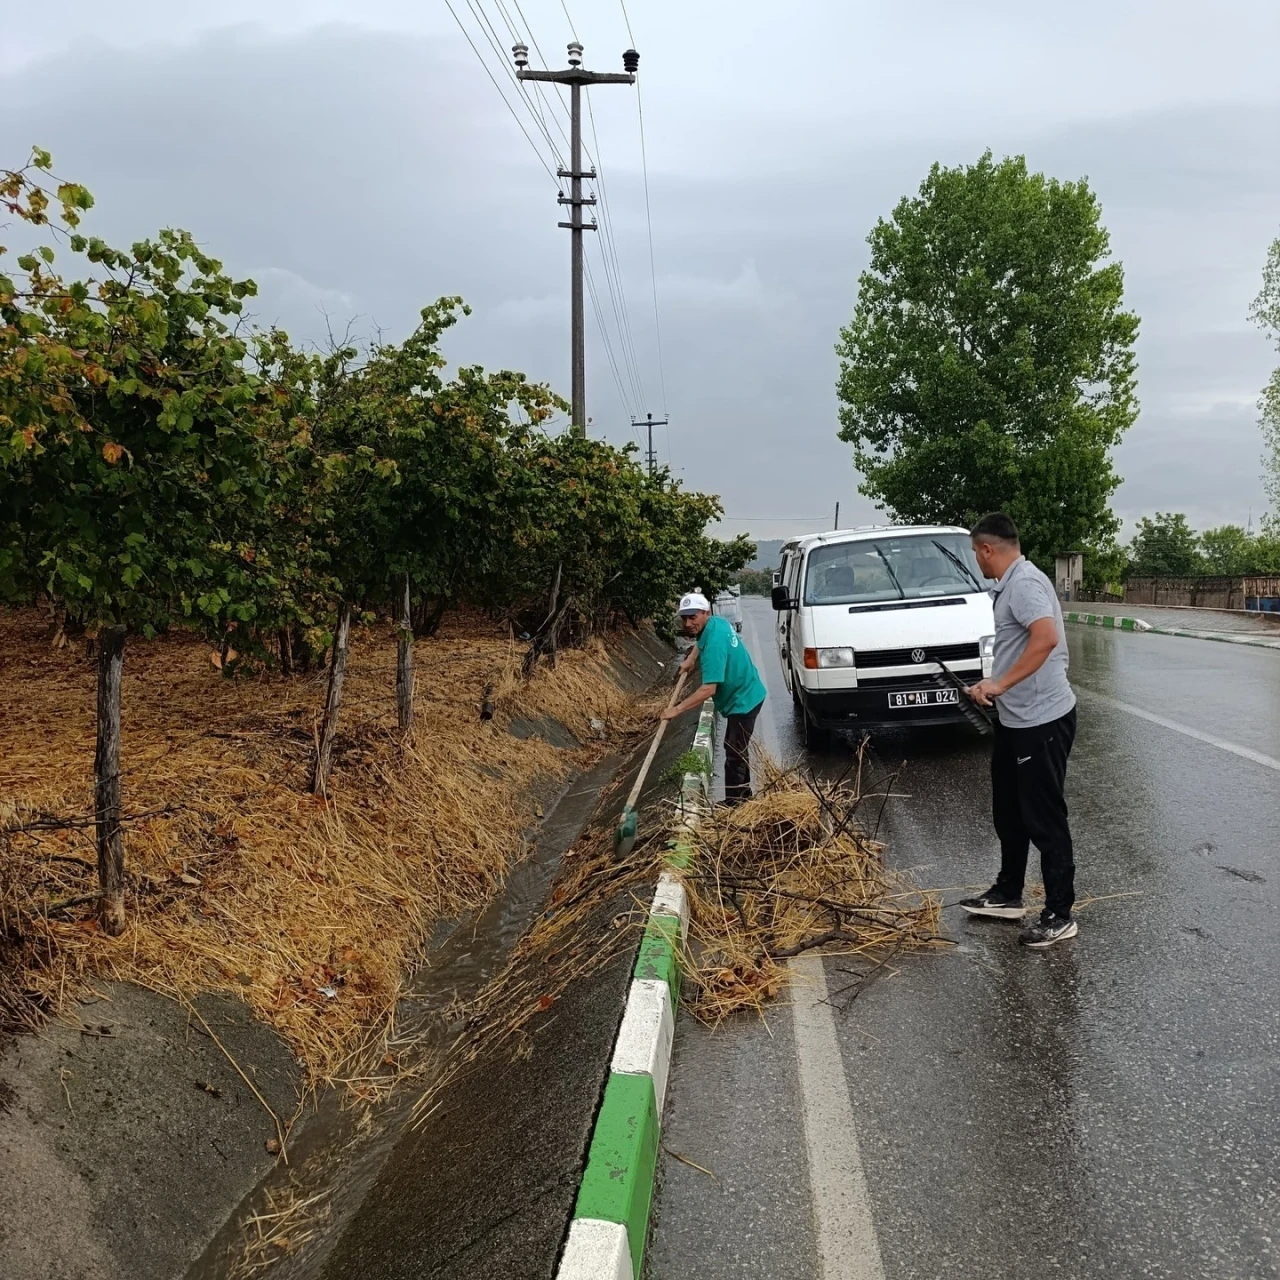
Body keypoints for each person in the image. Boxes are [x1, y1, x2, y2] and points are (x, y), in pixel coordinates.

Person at [959, 513, 1080, 948]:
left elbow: (1045, 638)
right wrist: (991, 684)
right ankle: (1009, 893)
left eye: (976, 553)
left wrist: (1001, 684)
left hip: (1042, 720)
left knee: (1044, 819)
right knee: (1009, 811)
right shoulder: (1008, 585)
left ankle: (1060, 914)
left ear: (987, 549)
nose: (977, 560)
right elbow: (1018, 646)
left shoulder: (1025, 584)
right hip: (1015, 719)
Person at [661, 591, 767, 805]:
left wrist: (677, 710)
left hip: (744, 699)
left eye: (693, 617)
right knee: (737, 747)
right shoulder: (715, 623)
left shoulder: (714, 647)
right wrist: (691, 659)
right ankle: (744, 797)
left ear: (705, 613)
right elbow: (700, 641)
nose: (688, 623)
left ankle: (734, 804)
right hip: (747, 688)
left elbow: (708, 689)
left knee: (734, 751)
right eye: (685, 618)